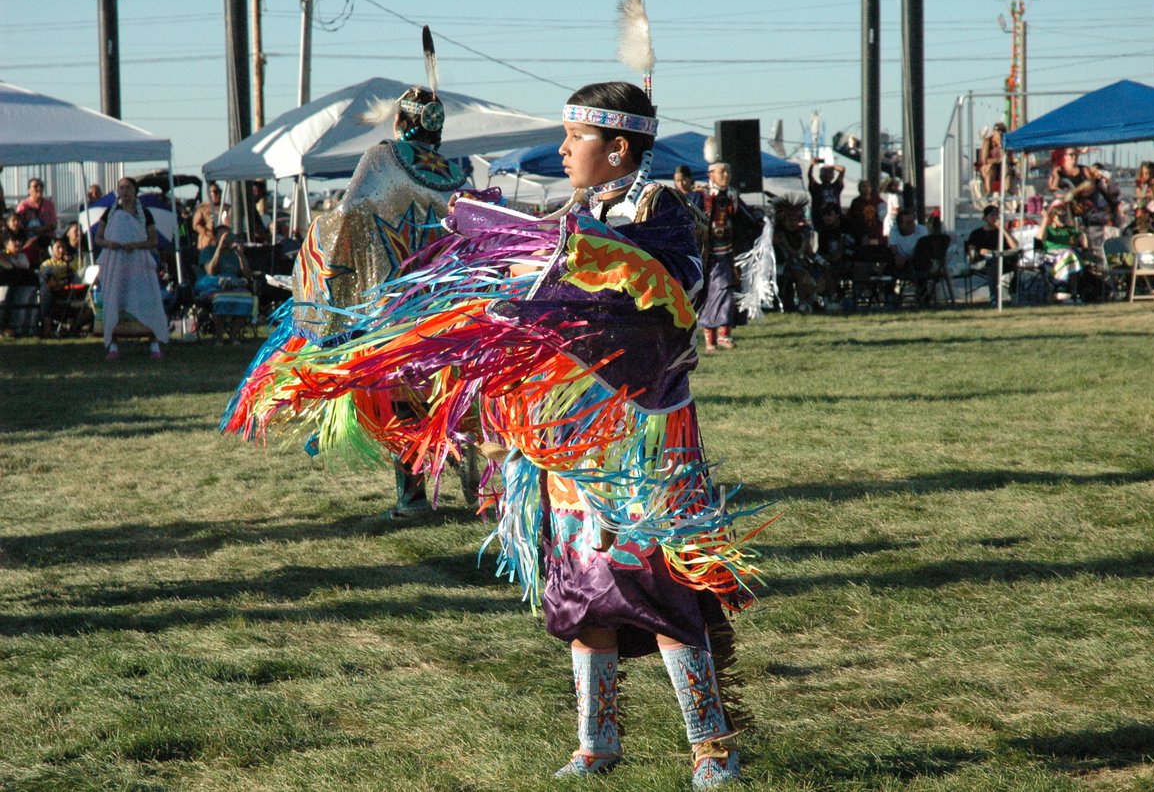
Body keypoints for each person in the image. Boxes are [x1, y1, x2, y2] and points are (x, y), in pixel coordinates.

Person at [226, 79, 759, 789]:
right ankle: (597, 742)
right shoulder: (574, 211)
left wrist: (569, 254)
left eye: (577, 138)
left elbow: (667, 292)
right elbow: (524, 280)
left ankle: (711, 747)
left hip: (636, 439)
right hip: (564, 437)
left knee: (658, 587)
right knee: (582, 591)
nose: (565, 149)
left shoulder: (657, 210)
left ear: (619, 147)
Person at [224, 69, 473, 520]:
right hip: (442, 305)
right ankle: (466, 472)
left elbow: (349, 212)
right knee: (439, 391)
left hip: (390, 302)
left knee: (400, 397)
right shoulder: (456, 172)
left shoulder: (382, 158)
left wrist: (321, 242)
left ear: (401, 121)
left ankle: (414, 494)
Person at [94, 177, 169, 359]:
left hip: (138, 266)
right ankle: (113, 347)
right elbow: (98, 238)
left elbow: (153, 241)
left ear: (135, 191)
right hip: (116, 265)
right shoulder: (110, 214)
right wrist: (110, 244)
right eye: (121, 188)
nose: (125, 191)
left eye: (128, 188)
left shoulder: (144, 213)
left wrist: (135, 245)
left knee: (146, 300)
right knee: (115, 301)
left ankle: (153, 345)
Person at [696, 161, 754, 351]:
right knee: (709, 294)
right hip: (706, 256)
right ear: (710, 175)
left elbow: (747, 218)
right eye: (721, 172)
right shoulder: (701, 195)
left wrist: (763, 220)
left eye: (728, 171)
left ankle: (723, 335)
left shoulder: (733, 196)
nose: (726, 175)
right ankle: (710, 339)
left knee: (726, 291)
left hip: (728, 254)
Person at [195, 225, 254, 343]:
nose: (227, 239)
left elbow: (247, 275)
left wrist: (241, 255)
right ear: (216, 238)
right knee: (220, 299)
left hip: (232, 285)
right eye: (223, 236)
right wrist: (219, 249)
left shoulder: (234, 254)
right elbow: (211, 271)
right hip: (211, 284)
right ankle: (219, 338)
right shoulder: (208, 251)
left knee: (247, 299)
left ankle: (233, 336)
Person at [966, 204, 1018, 306]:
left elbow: (1014, 247)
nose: (995, 218)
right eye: (992, 216)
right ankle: (994, 299)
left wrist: (1002, 229)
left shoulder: (1001, 232)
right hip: (983, 263)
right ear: (985, 218)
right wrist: (979, 251)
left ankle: (1015, 295)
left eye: (997, 215)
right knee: (993, 265)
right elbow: (972, 252)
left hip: (1002, 261)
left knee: (1017, 263)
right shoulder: (977, 233)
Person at [1038, 200, 1087, 301]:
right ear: (1053, 217)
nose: (1063, 219)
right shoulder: (1049, 230)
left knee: (1071, 254)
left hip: (1068, 258)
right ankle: (1062, 286)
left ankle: (1066, 289)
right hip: (1052, 257)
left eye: (1065, 216)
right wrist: (1045, 218)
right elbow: (1039, 238)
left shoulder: (1069, 230)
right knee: (1070, 254)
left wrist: (1082, 233)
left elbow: (1084, 245)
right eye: (1060, 217)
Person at [15, 178, 57, 255]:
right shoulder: (23, 205)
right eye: (35, 186)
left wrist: (41, 229)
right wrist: (33, 231)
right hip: (29, 240)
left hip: (47, 238)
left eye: (41, 186)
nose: (39, 188)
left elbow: (54, 225)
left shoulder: (49, 204)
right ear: (29, 190)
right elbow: (17, 225)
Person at [888, 208, 928, 274]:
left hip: (917, 262)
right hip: (900, 262)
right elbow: (893, 249)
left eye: (913, 221)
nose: (912, 225)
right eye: (908, 223)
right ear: (900, 225)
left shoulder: (921, 230)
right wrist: (898, 258)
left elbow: (922, 252)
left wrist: (906, 259)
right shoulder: (894, 230)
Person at [845, 179, 882, 246]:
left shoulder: (878, 201)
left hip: (875, 233)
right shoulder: (856, 202)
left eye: (868, 186)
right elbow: (851, 217)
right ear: (859, 189)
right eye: (863, 186)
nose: (866, 189)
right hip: (861, 234)